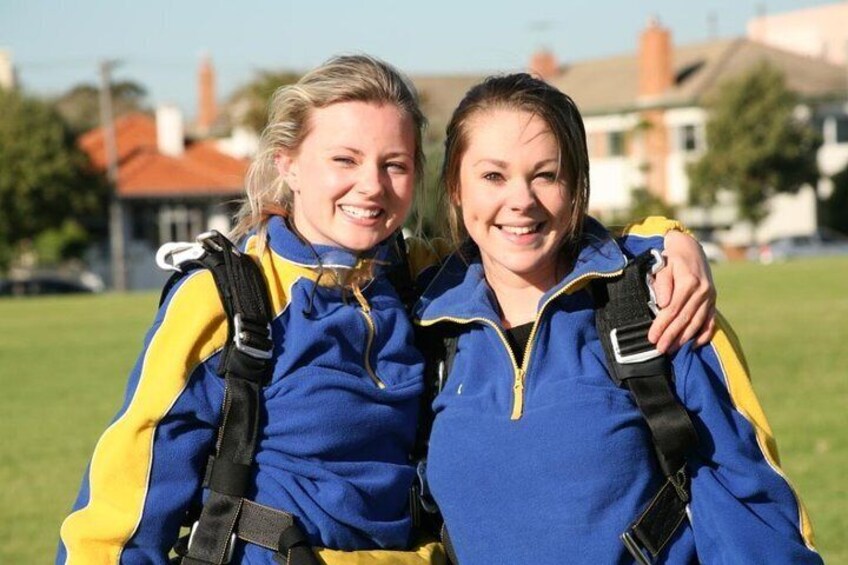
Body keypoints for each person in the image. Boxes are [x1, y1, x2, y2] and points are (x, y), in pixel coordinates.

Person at [57, 56, 713, 565]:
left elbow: (545, 237)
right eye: (344, 159)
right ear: (289, 163)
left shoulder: (429, 277)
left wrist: (671, 238)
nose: (370, 186)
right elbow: (124, 500)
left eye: (394, 164)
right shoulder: (229, 296)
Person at [415, 73, 822, 564]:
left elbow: (747, 507)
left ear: (576, 186)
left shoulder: (659, 304)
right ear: (455, 188)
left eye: (546, 174)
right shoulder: (425, 324)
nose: (521, 200)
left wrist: (671, 243)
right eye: (493, 176)